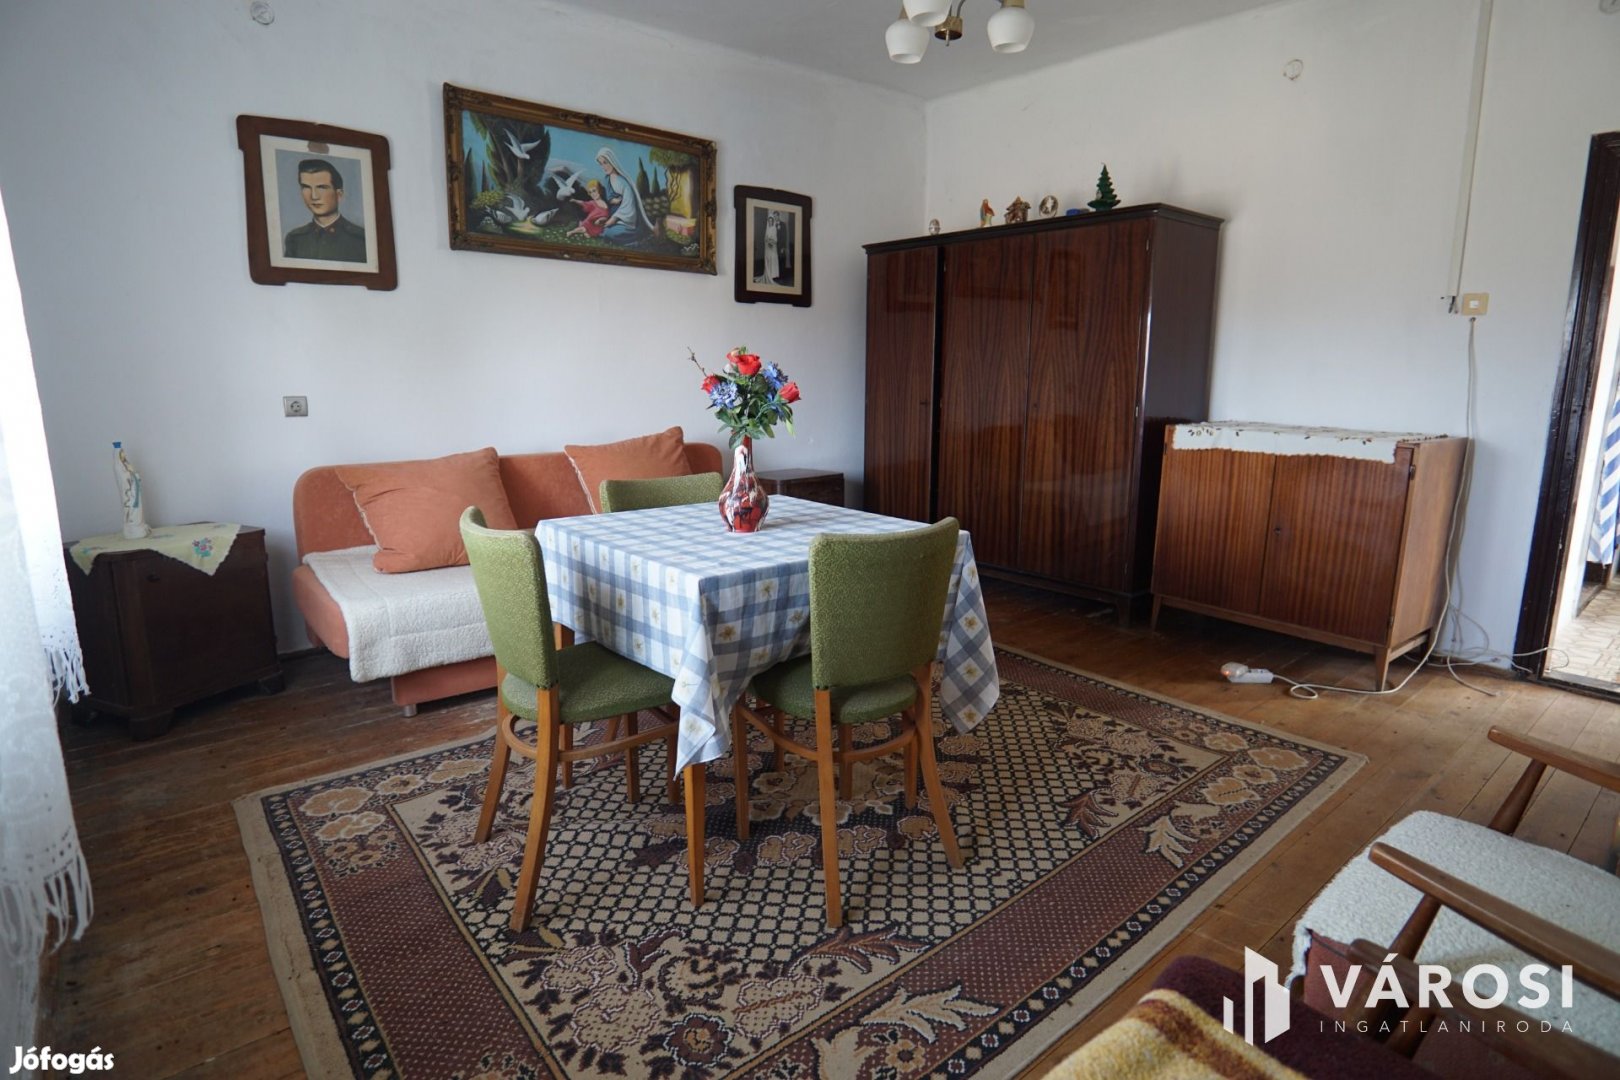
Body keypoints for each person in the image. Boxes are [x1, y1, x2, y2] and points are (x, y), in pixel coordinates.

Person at [283, 159, 366, 262]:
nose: (314, 196)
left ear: (339, 195)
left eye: (322, 187)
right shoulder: (294, 239)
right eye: (306, 187)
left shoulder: (361, 239)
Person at [594, 147, 652, 242]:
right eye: (601, 164)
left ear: (612, 161)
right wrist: (606, 217)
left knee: (609, 233)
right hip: (612, 215)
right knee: (599, 227)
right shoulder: (607, 179)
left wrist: (613, 219)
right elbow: (608, 200)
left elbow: (628, 206)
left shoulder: (623, 182)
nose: (603, 167)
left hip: (624, 221)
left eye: (605, 162)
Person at [756, 209, 781, 285]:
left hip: (773, 247)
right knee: (767, 259)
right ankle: (768, 274)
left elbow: (776, 239)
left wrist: (771, 242)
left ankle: (772, 275)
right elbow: (765, 238)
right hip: (767, 247)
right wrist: (767, 241)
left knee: (772, 259)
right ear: (768, 221)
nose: (770, 222)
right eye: (769, 221)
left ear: (772, 221)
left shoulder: (774, 228)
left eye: (771, 221)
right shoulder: (767, 229)